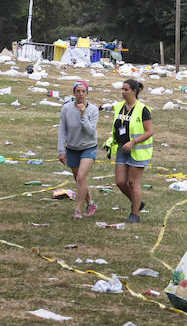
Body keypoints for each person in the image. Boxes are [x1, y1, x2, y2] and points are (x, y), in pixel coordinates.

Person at [104, 78, 153, 223]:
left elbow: (150, 131)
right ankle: (137, 201)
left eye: (126, 90)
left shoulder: (142, 109)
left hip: (137, 150)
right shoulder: (119, 106)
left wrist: (133, 142)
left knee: (132, 182)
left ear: (134, 91)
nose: (123, 92)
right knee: (120, 182)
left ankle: (135, 214)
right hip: (122, 148)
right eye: (122, 89)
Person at [57, 80, 99, 219]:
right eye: (78, 91)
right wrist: (61, 151)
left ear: (87, 93)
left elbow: (91, 131)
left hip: (89, 147)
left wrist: (83, 114)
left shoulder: (93, 110)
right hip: (72, 148)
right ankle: (91, 203)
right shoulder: (66, 108)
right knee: (79, 179)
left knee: (81, 176)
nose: (81, 94)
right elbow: (62, 129)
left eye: (83, 91)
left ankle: (78, 210)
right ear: (74, 93)